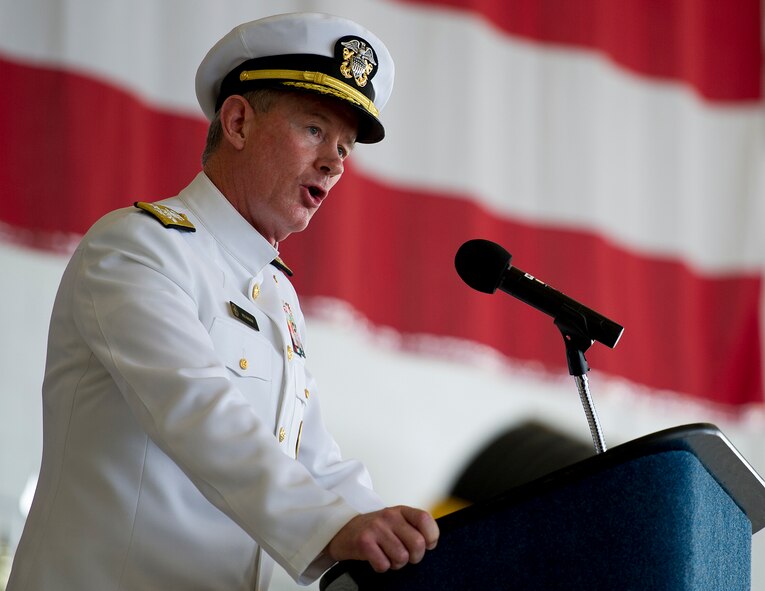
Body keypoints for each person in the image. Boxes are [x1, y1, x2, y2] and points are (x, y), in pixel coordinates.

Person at [7, 12, 439, 591]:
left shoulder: (278, 296)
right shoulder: (137, 247)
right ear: (237, 121)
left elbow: (314, 460)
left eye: (344, 146)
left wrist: (407, 550)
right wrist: (336, 525)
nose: (335, 163)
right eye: (314, 130)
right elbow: (196, 410)